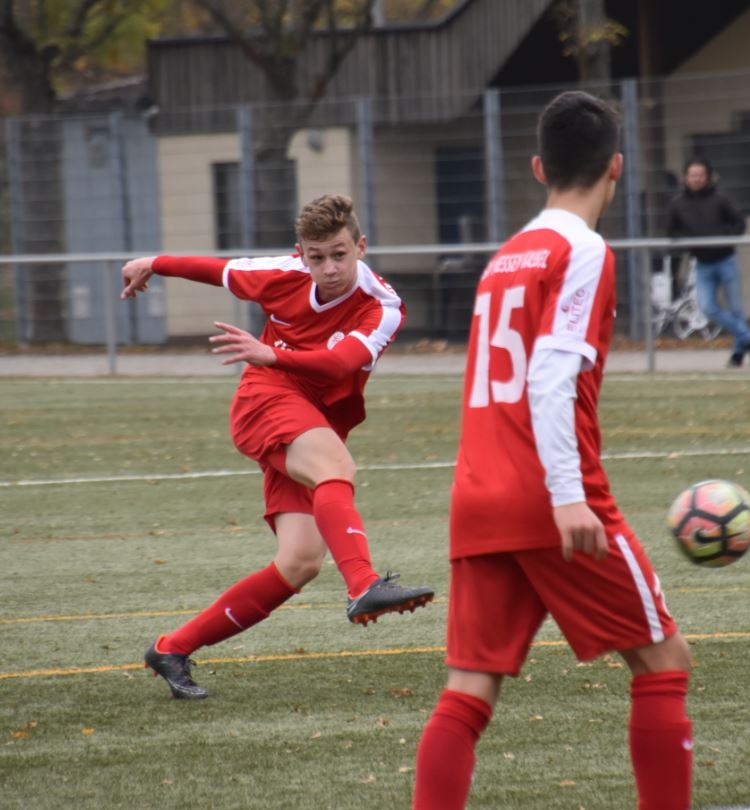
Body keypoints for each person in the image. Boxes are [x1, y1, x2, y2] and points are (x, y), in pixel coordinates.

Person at [412, 91, 693, 810]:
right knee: (663, 660)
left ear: (539, 168)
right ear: (616, 168)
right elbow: (548, 376)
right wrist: (567, 495)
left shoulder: (506, 256)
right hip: (548, 494)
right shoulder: (583, 250)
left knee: (469, 688)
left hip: (478, 494)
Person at [120, 194, 434, 700]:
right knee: (335, 466)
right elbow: (219, 271)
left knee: (299, 561)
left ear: (361, 247)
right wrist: (152, 263)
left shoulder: (383, 306)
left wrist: (273, 353)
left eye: (339, 254)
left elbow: (340, 364)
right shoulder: (283, 274)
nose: (329, 268)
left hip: (311, 415)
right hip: (266, 400)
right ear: (300, 253)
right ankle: (363, 583)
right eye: (316, 257)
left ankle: (171, 649)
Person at [666, 156, 750, 367]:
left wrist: (724, 238)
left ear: (707, 177)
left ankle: (738, 354)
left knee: (736, 309)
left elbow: (739, 223)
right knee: (707, 307)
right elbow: (672, 233)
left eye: (700, 175)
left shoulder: (720, 199)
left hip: (726, 260)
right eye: (692, 175)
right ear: (685, 177)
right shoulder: (678, 205)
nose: (696, 179)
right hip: (703, 264)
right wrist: (689, 243)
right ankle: (748, 336)